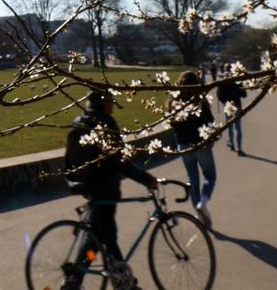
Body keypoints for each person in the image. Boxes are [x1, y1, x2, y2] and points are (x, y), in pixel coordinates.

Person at [65, 89, 158, 289]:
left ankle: (78, 278)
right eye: (110, 101)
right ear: (103, 103)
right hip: (105, 188)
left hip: (89, 186)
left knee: (97, 239)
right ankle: (124, 282)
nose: (112, 105)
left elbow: (68, 161)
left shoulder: (79, 122)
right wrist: (147, 179)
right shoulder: (106, 124)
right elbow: (121, 161)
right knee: (108, 236)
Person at [168, 70, 216, 226]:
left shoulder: (174, 101)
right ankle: (203, 203)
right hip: (201, 144)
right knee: (210, 176)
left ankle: (199, 212)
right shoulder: (200, 101)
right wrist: (212, 136)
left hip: (183, 145)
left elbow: (172, 123)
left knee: (193, 179)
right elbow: (210, 121)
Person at [217, 78, 247, 155]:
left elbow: (219, 96)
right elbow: (244, 94)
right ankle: (239, 148)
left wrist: (224, 101)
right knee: (238, 127)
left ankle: (232, 143)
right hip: (237, 105)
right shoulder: (238, 80)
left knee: (229, 126)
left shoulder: (223, 82)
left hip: (227, 106)